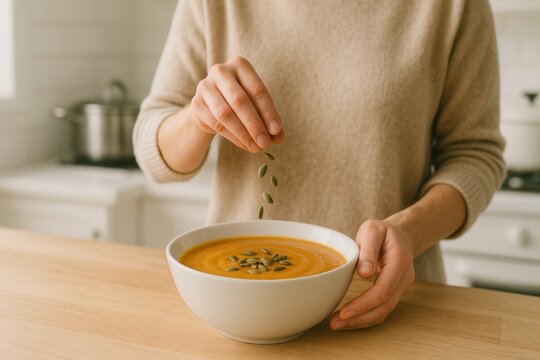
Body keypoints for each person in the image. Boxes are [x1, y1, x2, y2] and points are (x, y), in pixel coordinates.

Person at [133, 0, 505, 330]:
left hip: (383, 305)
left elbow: (475, 154)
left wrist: (411, 230)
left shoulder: (453, 6)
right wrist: (198, 118)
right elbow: (154, 148)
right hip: (236, 306)